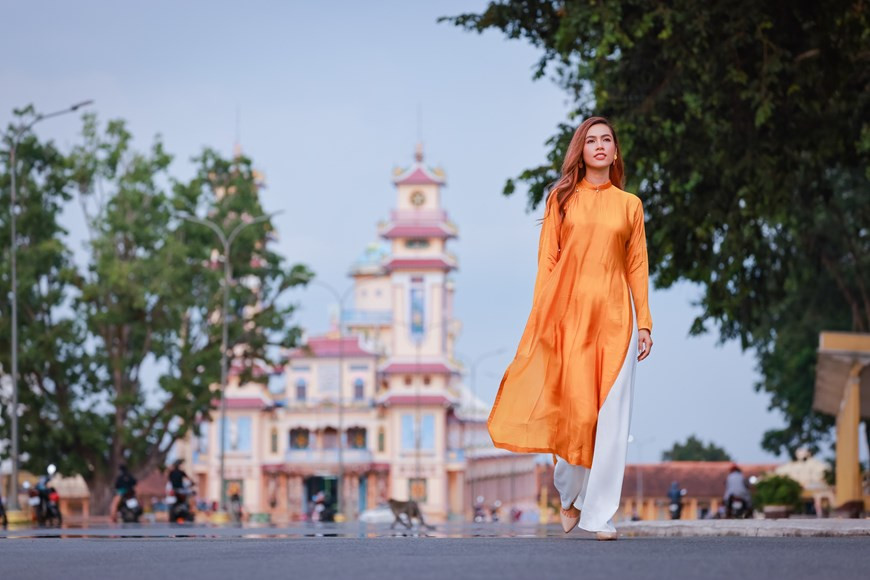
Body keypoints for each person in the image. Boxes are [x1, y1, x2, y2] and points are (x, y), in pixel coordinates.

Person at [488, 116, 654, 541]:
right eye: (591, 140)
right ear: (580, 151)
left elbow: (637, 266)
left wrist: (645, 324)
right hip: (570, 318)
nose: (599, 146)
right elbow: (547, 261)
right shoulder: (562, 199)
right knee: (578, 415)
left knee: (612, 419)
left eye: (607, 140)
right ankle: (568, 494)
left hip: (617, 320)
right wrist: (542, 317)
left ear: (615, 152)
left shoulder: (630, 205)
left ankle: (600, 515)